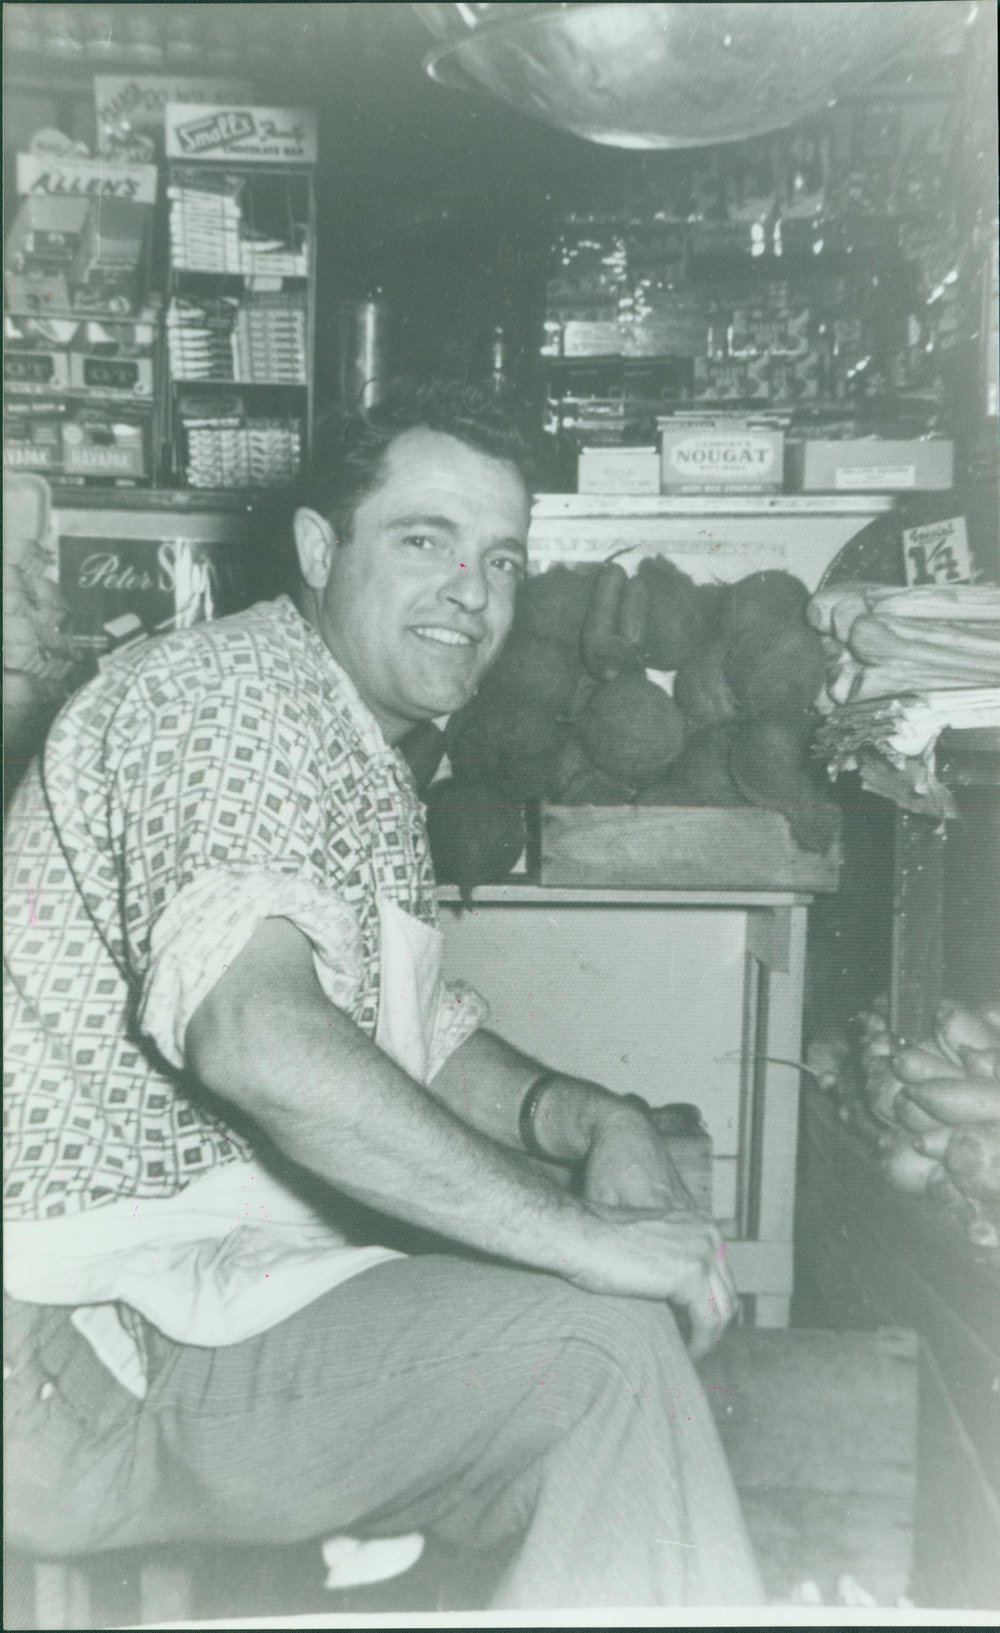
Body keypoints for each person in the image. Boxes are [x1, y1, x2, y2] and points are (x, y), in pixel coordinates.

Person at [3, 382, 764, 1611]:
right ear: (320, 551)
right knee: (600, 1354)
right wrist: (584, 1240)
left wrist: (595, 1121)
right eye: (424, 541)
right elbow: (258, 1037)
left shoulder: (340, 729)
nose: (473, 592)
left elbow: (417, 1027)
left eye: (501, 559)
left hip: (163, 1305)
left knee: (589, 1359)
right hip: (74, 1349)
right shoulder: (226, 703)